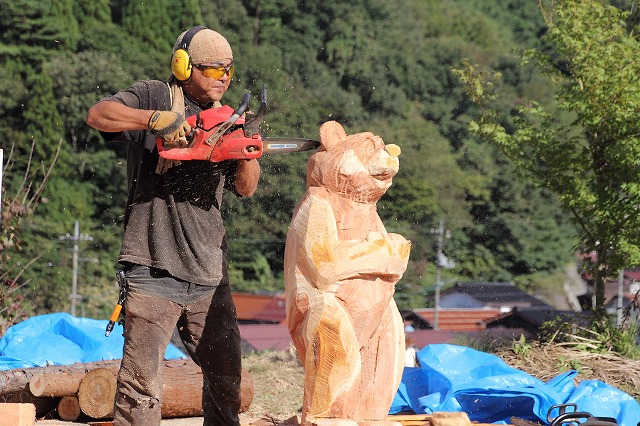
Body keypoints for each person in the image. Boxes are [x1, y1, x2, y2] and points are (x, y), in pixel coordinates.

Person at [86, 26, 260, 426]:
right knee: (141, 387)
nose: (222, 79)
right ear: (183, 67)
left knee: (226, 377)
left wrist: (247, 146)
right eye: (211, 70)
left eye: (227, 71)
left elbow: (246, 189)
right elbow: (98, 114)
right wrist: (153, 120)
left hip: (209, 272)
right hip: (151, 267)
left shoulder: (227, 116)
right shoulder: (155, 96)